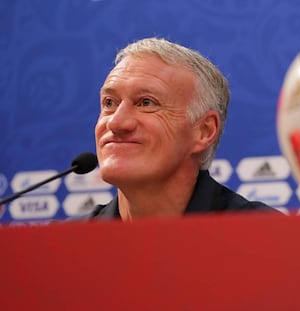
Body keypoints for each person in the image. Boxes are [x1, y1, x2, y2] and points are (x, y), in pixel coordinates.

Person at [91, 37, 276, 220]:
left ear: (204, 130)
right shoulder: (68, 243)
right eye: (109, 103)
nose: (115, 123)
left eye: (146, 103)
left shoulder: (267, 237)